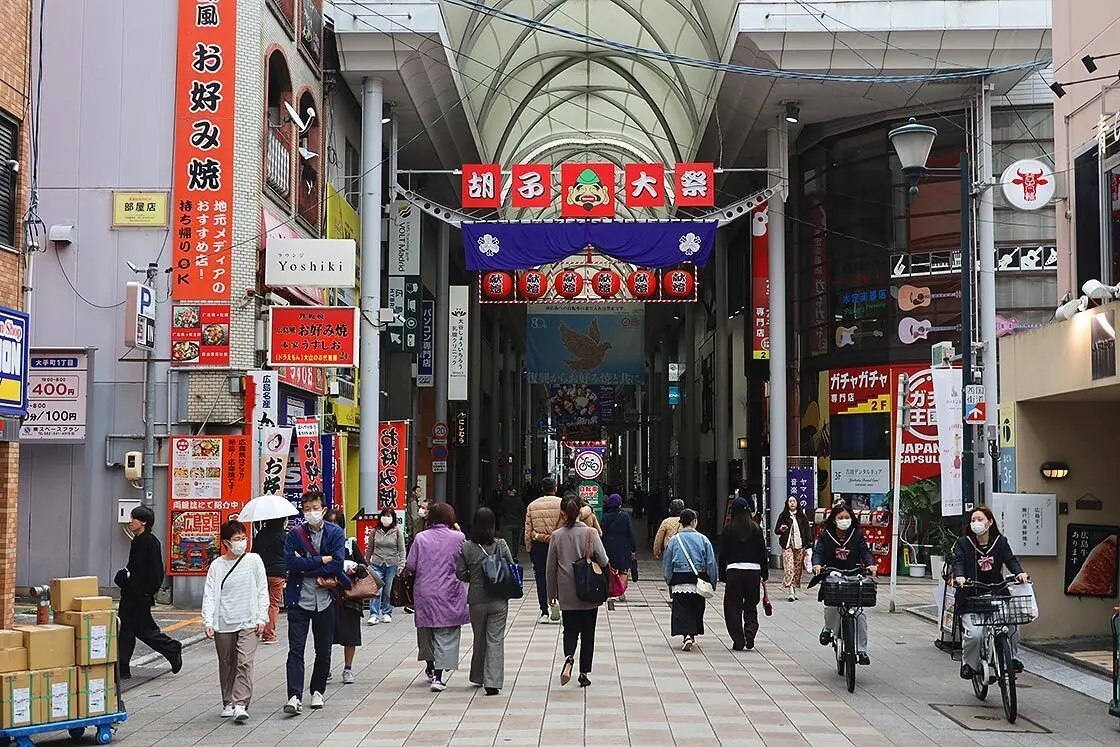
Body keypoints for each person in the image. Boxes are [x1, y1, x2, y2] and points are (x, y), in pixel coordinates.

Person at [283, 492, 349, 715]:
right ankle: (294, 696)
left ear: (323, 509)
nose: (311, 511)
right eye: (307, 508)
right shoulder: (295, 534)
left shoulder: (335, 533)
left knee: (323, 649)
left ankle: (317, 691)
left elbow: (337, 565)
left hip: (325, 600)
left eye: (315, 507)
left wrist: (306, 563)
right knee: (296, 650)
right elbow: (291, 563)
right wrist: (322, 559)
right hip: (298, 599)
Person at [201, 520, 268, 722]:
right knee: (227, 662)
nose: (241, 542)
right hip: (224, 621)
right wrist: (208, 621)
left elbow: (262, 590)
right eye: (236, 539)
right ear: (226, 542)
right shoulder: (217, 566)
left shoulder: (254, 560)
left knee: (245, 662)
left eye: (243, 538)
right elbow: (210, 594)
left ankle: (240, 703)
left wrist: (261, 617)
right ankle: (228, 701)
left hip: (249, 620)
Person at [952, 506, 1029, 679]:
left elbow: (1011, 560)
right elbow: (959, 562)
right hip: (971, 596)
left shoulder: (1000, 542)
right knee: (975, 635)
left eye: (980, 519)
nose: (976, 523)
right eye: (973, 520)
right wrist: (960, 577)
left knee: (1011, 626)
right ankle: (969, 665)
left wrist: (1019, 573)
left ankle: (1012, 659)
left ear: (990, 522)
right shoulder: (964, 543)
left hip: (996, 593)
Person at [547, 497, 609, 687]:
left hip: (567, 591)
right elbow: (604, 560)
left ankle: (569, 657)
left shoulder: (557, 536)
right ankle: (584, 673)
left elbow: (550, 568)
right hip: (590, 590)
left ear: (563, 513)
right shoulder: (591, 533)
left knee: (570, 630)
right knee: (588, 633)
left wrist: (551, 595)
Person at [407, 502, 469, 692]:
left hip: (424, 591)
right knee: (446, 633)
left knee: (426, 632)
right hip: (449, 591)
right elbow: (465, 562)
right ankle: (438, 676)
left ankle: (430, 666)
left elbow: (411, 565)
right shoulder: (458, 537)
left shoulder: (420, 538)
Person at [116, 505, 182, 679]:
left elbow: (155, 572)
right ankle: (122, 668)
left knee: (142, 630)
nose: (130, 521)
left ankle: (172, 648)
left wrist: (146, 592)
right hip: (131, 594)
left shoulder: (150, 542)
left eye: (134, 518)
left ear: (143, 521)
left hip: (139, 595)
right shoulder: (137, 539)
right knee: (126, 630)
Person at [456, 507, 514, 695]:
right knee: (495, 639)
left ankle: (478, 676)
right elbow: (511, 566)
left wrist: (474, 576)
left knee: (479, 638)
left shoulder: (467, 546)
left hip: (476, 598)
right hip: (498, 598)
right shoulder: (501, 544)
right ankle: (493, 681)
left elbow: (460, 573)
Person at [812, 504, 875, 666]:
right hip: (833, 574)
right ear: (833, 520)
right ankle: (828, 628)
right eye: (840, 518)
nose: (844, 521)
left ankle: (861, 650)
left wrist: (870, 564)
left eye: (846, 517)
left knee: (859, 614)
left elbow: (865, 552)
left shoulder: (857, 535)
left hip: (854, 574)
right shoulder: (826, 536)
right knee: (831, 606)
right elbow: (818, 552)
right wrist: (817, 564)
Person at [662, 508, 717, 651]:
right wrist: (713, 580)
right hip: (698, 578)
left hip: (679, 578)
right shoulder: (703, 539)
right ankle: (691, 635)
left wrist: (668, 579)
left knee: (682, 609)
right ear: (694, 522)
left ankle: (686, 635)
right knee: (696, 608)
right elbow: (711, 562)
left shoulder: (674, 540)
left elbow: (667, 563)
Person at [719, 497, 769, 651]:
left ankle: (738, 639)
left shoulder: (728, 529)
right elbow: (762, 553)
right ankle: (750, 633)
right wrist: (765, 573)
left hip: (734, 571)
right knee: (750, 605)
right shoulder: (756, 529)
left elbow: (723, 554)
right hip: (753, 572)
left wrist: (722, 574)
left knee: (732, 607)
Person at [327, 509, 366, 685]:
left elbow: (364, 566)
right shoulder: (321, 546)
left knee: (350, 635)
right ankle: (325, 668)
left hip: (350, 597)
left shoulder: (350, 544)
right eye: (330, 523)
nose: (333, 527)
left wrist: (356, 569)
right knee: (325, 634)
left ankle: (348, 669)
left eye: (336, 524)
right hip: (328, 595)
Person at [525, 477, 563, 624]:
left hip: (539, 547)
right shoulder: (562, 504)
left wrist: (529, 548)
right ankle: (561, 605)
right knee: (561, 576)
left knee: (541, 578)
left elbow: (528, 531)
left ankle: (544, 612)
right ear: (555, 488)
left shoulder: (532, 506)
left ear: (542, 489)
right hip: (559, 545)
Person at [366, 506, 405, 625]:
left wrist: (402, 564)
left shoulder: (397, 531)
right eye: (384, 515)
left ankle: (387, 612)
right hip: (377, 563)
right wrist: (367, 562)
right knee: (377, 589)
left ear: (393, 518)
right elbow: (370, 548)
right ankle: (374, 614)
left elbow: (401, 549)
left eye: (389, 516)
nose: (386, 518)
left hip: (392, 564)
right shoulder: (375, 531)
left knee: (388, 590)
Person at [252, 518, 287, 644]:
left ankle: (257, 630)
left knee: (260, 602)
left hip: (261, 573)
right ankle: (269, 634)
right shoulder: (284, 536)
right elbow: (287, 554)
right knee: (273, 604)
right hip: (278, 574)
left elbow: (253, 553)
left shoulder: (261, 535)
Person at [776, 495, 813, 601]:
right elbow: (776, 530)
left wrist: (808, 545)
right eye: (790, 501)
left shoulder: (802, 516)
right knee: (789, 568)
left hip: (800, 545)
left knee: (797, 569)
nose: (792, 503)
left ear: (797, 503)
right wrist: (781, 529)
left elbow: (807, 531)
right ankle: (790, 591)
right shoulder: (783, 516)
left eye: (794, 501)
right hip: (787, 545)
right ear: (787, 503)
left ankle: (794, 590)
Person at [601, 493, 636, 601]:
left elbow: (602, 533)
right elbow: (630, 533)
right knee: (623, 570)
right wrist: (633, 548)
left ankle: (612, 590)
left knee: (612, 570)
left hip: (609, 547)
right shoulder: (625, 516)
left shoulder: (605, 517)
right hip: (623, 547)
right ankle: (621, 591)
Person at [499, 487, 525, 562]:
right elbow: (522, 512)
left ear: (508, 491)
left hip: (507, 523)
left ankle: (509, 556)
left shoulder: (504, 501)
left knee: (508, 541)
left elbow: (500, 512)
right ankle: (514, 556)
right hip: (517, 523)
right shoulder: (519, 501)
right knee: (516, 541)